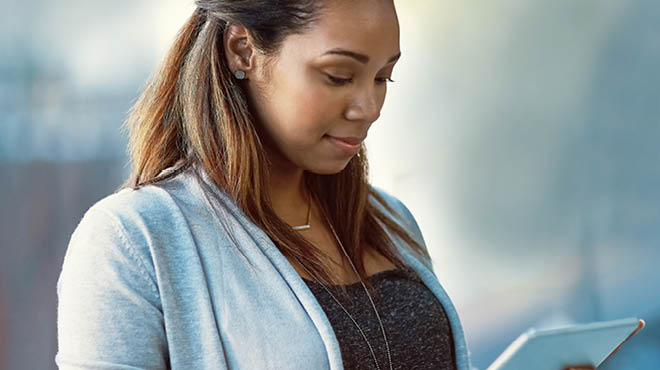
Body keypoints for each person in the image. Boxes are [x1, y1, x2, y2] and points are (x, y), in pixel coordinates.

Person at [55, 1, 594, 369]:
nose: (370, 107)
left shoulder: (387, 220)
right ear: (243, 51)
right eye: (339, 75)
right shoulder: (133, 242)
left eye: (384, 76)